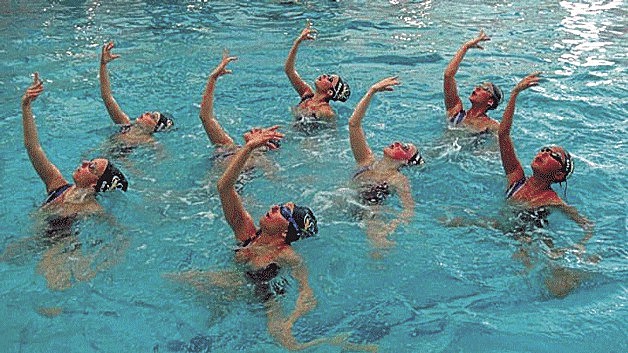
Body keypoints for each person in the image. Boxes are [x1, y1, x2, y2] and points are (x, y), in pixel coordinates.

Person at [13, 73, 129, 290]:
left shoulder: (91, 208)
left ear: (94, 184)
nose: (84, 162)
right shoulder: (57, 185)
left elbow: (120, 236)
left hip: (59, 251)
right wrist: (26, 107)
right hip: (33, 238)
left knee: (51, 303)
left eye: (91, 167)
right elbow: (33, 148)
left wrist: (100, 264)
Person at [499, 72, 594, 297]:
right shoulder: (516, 178)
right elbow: (503, 135)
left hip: (531, 238)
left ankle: (573, 275)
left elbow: (587, 225)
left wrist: (579, 246)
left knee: (544, 281)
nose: (544, 152)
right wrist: (514, 93)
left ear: (559, 175)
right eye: (544, 149)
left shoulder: (552, 200)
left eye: (554, 155)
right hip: (504, 228)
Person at [348, 77, 422, 249]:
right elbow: (354, 124)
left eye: (403, 147)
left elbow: (408, 210)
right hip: (342, 203)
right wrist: (372, 91)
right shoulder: (366, 160)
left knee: (379, 248)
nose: (396, 142)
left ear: (405, 161)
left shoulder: (398, 179)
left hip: (372, 214)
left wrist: (391, 227)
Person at [199, 50, 281, 179]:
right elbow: (206, 118)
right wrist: (213, 78)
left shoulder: (258, 161)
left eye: (261, 133)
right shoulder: (229, 146)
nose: (257, 129)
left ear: (266, 145)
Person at [99, 41, 174, 146]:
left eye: (152, 117)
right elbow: (107, 97)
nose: (147, 113)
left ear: (154, 128)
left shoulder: (150, 143)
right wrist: (103, 64)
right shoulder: (124, 124)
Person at [285, 20, 351, 124]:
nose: (325, 75)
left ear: (329, 92)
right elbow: (289, 70)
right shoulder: (306, 94)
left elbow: (331, 135)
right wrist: (297, 42)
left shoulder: (327, 112)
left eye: (329, 79)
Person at [443, 30, 503, 134]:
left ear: (490, 101)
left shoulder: (492, 126)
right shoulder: (455, 111)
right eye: (479, 86)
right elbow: (448, 76)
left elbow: (495, 149)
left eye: (484, 88)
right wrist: (466, 47)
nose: (477, 88)